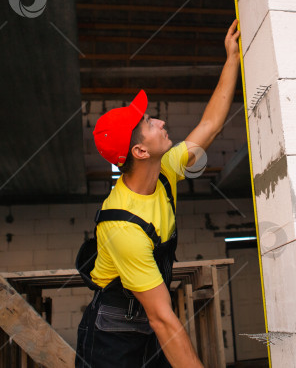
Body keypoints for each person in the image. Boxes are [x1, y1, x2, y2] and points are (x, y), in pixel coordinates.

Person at [76, 19, 241, 368]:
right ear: (139, 151)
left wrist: (232, 58)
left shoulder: (164, 171)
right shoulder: (122, 225)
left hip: (150, 317)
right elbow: (164, 319)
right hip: (112, 335)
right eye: (150, 124)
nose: (161, 123)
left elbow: (209, 126)